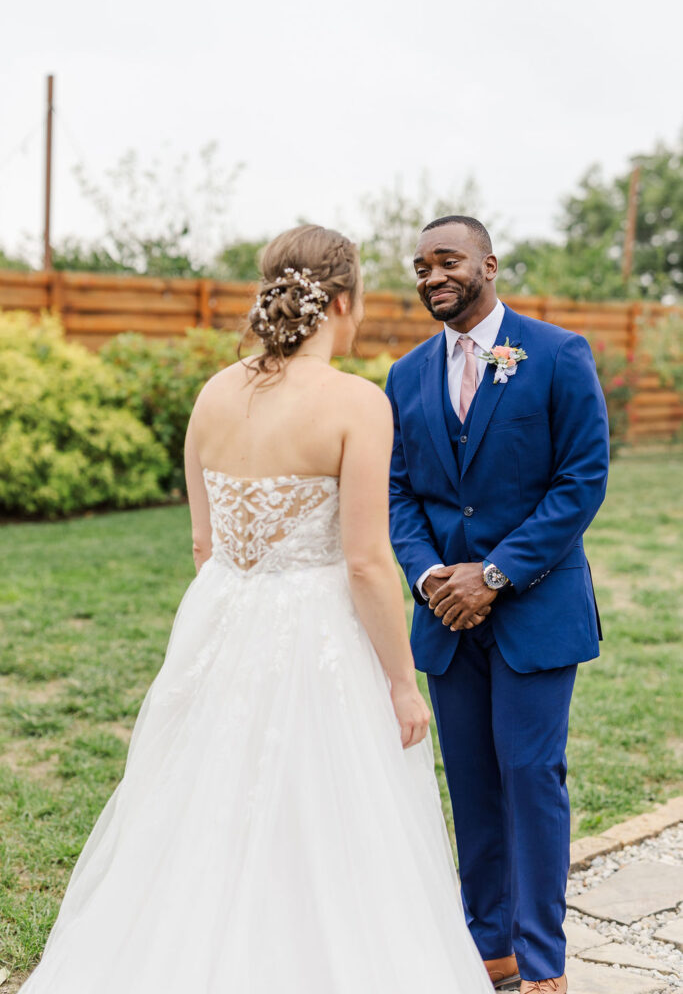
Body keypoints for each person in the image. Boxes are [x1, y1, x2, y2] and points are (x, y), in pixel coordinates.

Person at [20, 224, 492, 993]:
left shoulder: (213, 393)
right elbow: (370, 562)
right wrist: (403, 684)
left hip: (219, 624)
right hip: (316, 638)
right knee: (328, 817)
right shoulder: (355, 403)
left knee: (203, 805)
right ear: (343, 301)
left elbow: (204, 545)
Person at [386, 215, 610, 994]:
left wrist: (494, 576)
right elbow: (398, 492)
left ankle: (542, 960)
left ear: (487, 262)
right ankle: (489, 949)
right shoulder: (405, 374)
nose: (430, 276)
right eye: (419, 266)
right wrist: (431, 578)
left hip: (534, 610)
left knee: (529, 775)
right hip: (445, 616)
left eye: (444, 260)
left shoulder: (554, 354)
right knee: (473, 784)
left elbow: (580, 480)